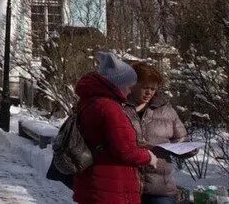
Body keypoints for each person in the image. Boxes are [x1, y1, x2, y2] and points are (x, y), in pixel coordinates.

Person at [73, 52, 159, 204]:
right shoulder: (110, 108)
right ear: (118, 84)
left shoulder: (89, 102)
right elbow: (125, 151)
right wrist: (149, 157)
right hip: (111, 188)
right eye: (129, 85)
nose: (130, 90)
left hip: (94, 182)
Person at [125, 62, 187, 204]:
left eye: (153, 89)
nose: (149, 93)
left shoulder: (167, 111)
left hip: (160, 187)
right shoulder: (120, 108)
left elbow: (183, 139)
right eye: (145, 88)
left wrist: (185, 147)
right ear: (133, 86)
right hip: (127, 184)